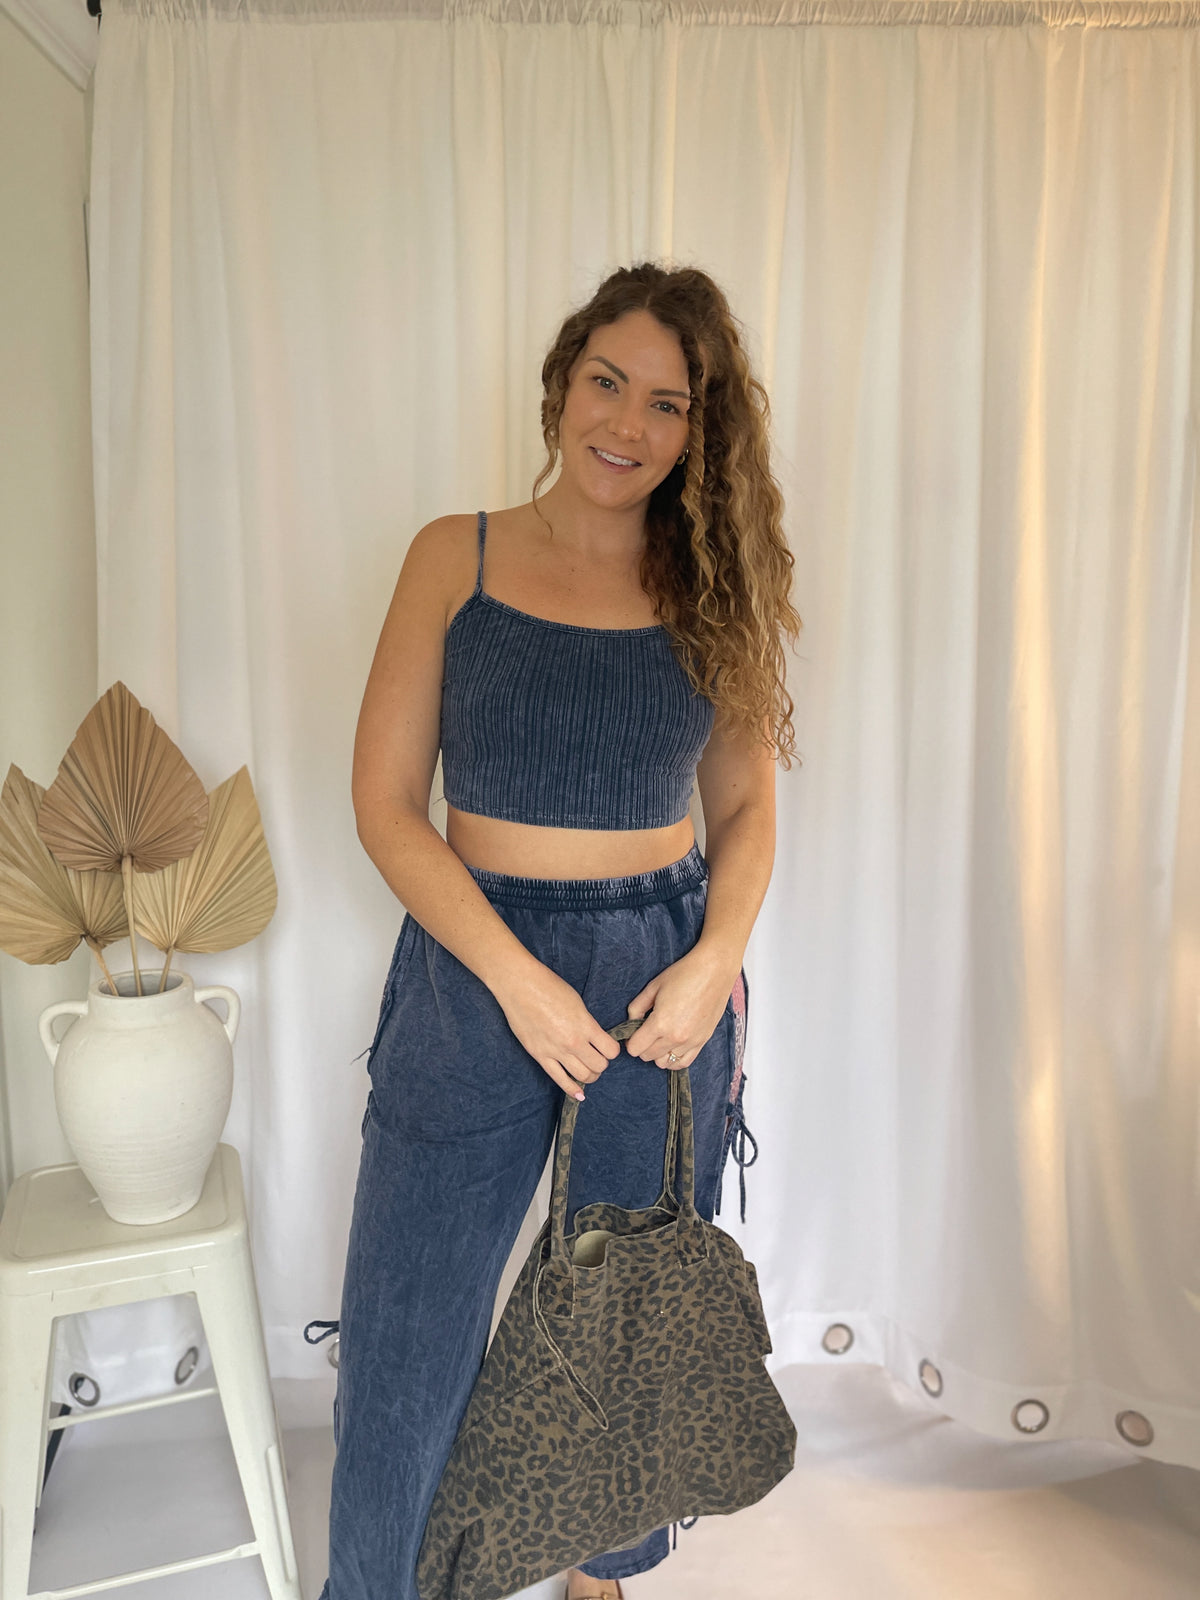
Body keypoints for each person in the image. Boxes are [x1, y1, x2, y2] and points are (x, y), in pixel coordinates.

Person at [311, 262, 801, 1600]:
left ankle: (602, 1574)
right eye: (606, 384)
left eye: (668, 403)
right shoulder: (451, 554)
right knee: (410, 1328)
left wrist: (711, 964)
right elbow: (384, 804)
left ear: (703, 432)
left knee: (623, 1318)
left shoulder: (712, 583)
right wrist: (516, 980)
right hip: (475, 971)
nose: (628, 426)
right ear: (560, 381)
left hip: (661, 982)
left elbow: (750, 801)